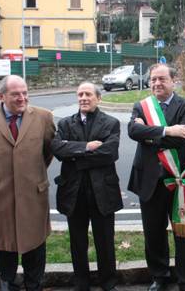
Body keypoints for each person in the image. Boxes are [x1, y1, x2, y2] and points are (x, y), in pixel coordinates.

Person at [0, 75, 55, 291]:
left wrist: (27, 173)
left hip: (33, 194)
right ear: (1, 96)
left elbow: (47, 153)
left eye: (25, 93)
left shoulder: (44, 117)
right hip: (1, 196)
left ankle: (34, 285)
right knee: (4, 245)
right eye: (16, 94)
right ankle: (8, 284)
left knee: (35, 246)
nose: (22, 98)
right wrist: (3, 174)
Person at [128, 63, 185, 291]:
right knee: (153, 233)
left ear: (173, 81)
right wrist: (167, 131)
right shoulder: (141, 106)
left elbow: (183, 138)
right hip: (149, 180)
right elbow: (133, 132)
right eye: (153, 80)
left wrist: (148, 134)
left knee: (183, 233)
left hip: (180, 180)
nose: (157, 83)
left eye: (162, 79)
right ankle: (159, 276)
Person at [51, 82, 122, 291]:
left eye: (88, 94)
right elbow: (57, 149)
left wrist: (75, 154)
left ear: (98, 98)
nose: (83, 97)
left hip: (103, 192)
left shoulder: (111, 123)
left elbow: (110, 153)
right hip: (74, 192)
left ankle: (108, 282)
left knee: (105, 242)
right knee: (77, 242)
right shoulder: (64, 124)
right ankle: (81, 283)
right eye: (80, 94)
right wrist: (87, 147)